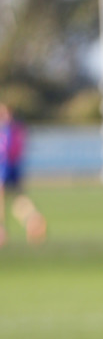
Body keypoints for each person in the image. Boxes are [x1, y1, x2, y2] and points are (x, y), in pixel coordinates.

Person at [0, 102, 46, 247]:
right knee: (17, 198)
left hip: (5, 165)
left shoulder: (7, 129)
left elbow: (5, 149)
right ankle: (32, 218)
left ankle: (2, 231)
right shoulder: (19, 128)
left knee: (3, 198)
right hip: (15, 165)